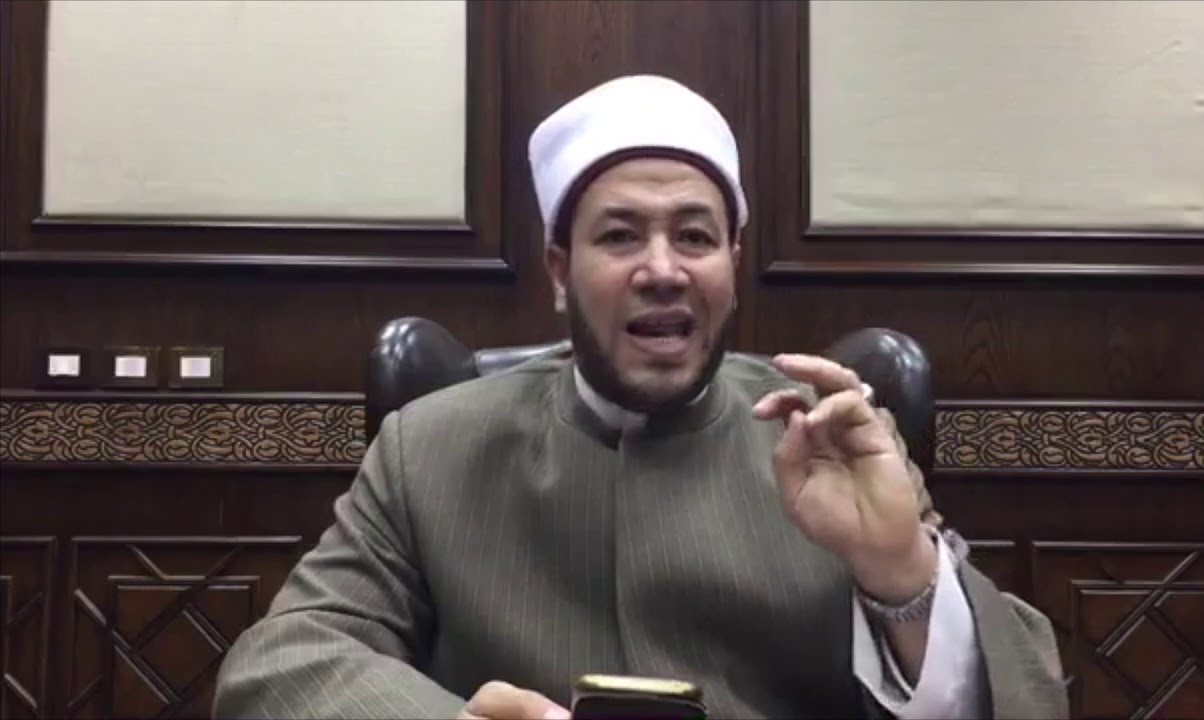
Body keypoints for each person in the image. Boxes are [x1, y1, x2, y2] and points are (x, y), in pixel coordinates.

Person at [213, 75, 1067, 720]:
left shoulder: (834, 442)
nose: (662, 269)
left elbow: (1030, 695)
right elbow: (281, 663)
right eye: (620, 236)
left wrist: (902, 577)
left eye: (694, 236)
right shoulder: (429, 447)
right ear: (560, 272)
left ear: (732, 264)